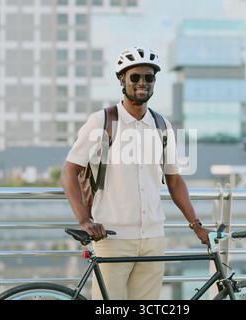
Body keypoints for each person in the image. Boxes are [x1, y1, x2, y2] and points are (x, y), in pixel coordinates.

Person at [61, 46, 209, 300]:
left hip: (153, 238)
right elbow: (69, 170)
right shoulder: (102, 121)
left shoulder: (162, 126)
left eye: (149, 77)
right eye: (135, 77)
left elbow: (174, 180)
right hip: (112, 237)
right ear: (122, 80)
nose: (142, 83)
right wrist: (84, 219)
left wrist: (196, 225)